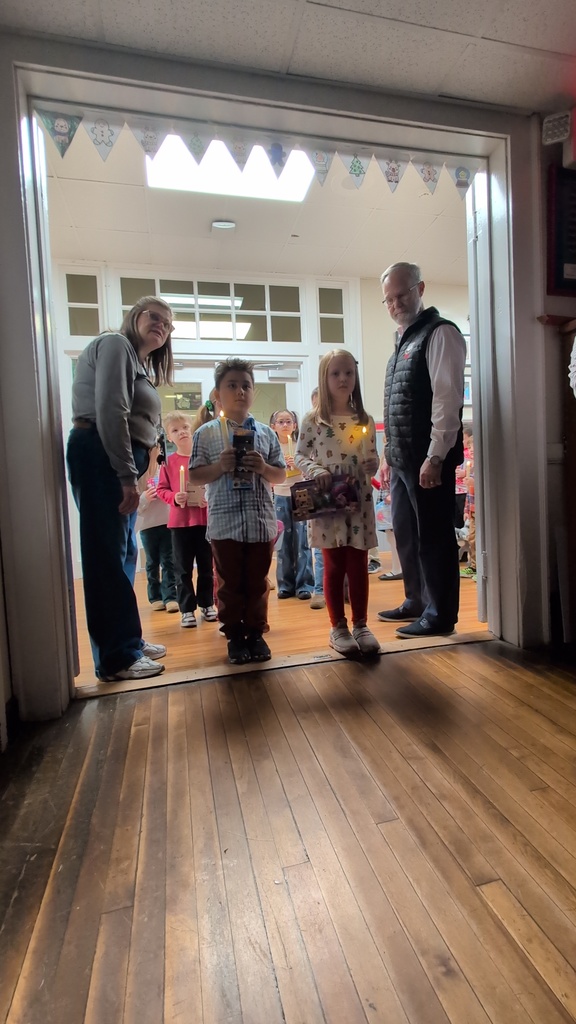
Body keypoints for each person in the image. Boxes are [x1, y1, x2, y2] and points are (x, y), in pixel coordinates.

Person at [66, 296, 174, 681]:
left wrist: (137, 470)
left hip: (112, 458)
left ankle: (126, 639)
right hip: (100, 455)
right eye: (154, 316)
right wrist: (127, 476)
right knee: (106, 556)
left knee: (124, 552)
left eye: (167, 323)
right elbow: (112, 410)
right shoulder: (115, 344)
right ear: (135, 317)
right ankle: (116, 657)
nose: (161, 325)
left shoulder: (138, 362)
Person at [377, 262, 466, 637]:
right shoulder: (402, 340)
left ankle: (440, 614)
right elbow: (396, 406)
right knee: (406, 533)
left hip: (428, 460)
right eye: (389, 299)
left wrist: (436, 457)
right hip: (401, 460)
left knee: (434, 537)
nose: (396, 303)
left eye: (402, 294)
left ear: (420, 288)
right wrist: (387, 455)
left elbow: (447, 401)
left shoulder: (440, 333)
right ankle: (416, 599)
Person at [189, 358, 286, 665]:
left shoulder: (267, 435)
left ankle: (256, 635)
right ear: (218, 393)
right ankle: (233, 636)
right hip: (225, 524)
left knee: (258, 582)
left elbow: (280, 475)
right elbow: (194, 476)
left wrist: (264, 467)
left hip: (259, 523)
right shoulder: (205, 434)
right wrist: (221, 466)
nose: (240, 391)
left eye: (246, 385)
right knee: (229, 584)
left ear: (253, 392)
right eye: (232, 385)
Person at [295, 349, 381, 657]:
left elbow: (371, 455)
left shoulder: (364, 420)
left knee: (358, 563)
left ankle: (361, 624)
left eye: (349, 373)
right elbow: (300, 455)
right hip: (328, 502)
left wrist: (374, 465)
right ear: (324, 378)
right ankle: (338, 626)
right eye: (336, 374)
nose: (343, 379)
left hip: (358, 502)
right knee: (333, 565)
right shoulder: (313, 421)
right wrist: (317, 470)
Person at [157, 412, 217, 627]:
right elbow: (161, 489)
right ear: (169, 437)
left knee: (206, 567)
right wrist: (175, 497)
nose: (181, 431)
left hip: (203, 521)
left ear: (192, 430)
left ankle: (207, 603)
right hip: (180, 523)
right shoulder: (168, 463)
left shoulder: (204, 460)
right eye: (175, 430)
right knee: (182, 568)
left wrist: (207, 499)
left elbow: (213, 485)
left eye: (184, 427)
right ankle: (186, 609)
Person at [269, 409, 314, 599]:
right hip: (280, 494)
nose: (285, 425)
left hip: (301, 493)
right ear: (274, 426)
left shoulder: (300, 447)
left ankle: (305, 584)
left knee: (302, 540)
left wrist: (297, 465)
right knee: (284, 543)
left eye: (289, 421)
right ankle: (285, 584)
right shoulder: (272, 448)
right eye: (281, 422)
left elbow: (311, 468)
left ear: (295, 426)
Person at [135, 442, 178, 612]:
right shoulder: (139, 475)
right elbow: (135, 506)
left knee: (169, 561)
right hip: (148, 526)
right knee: (152, 562)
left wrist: (167, 494)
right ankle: (155, 596)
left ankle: (170, 596)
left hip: (168, 522)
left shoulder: (165, 469)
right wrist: (146, 497)